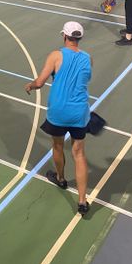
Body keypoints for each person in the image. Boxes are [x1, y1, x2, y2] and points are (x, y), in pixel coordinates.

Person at [25, 21, 92, 216]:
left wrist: (30, 85)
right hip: (79, 111)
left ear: (64, 36)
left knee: (58, 146)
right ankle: (82, 201)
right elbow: (85, 80)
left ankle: (61, 179)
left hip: (59, 111)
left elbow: (40, 82)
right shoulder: (88, 58)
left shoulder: (56, 55)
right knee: (79, 153)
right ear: (79, 38)